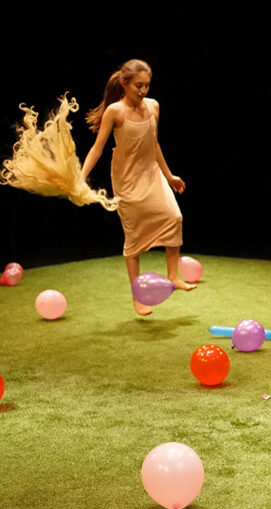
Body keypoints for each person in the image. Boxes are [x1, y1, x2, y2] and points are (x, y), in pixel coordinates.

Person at [82, 59, 193, 316]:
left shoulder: (153, 106)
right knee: (133, 240)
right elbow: (97, 148)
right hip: (127, 180)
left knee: (174, 217)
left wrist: (168, 176)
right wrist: (81, 176)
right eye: (138, 86)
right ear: (125, 84)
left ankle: (173, 276)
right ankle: (137, 298)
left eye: (147, 85)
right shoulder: (115, 111)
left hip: (151, 174)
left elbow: (154, 145)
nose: (143, 91)